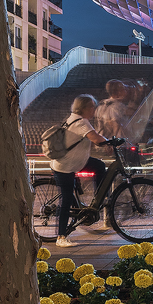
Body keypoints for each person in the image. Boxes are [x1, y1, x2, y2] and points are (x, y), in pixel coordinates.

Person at [41, 93, 109, 241]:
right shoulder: (81, 123)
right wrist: (111, 142)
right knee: (65, 201)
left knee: (99, 165)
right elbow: (96, 139)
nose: (94, 109)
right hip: (64, 166)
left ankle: (98, 198)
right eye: (92, 106)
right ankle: (61, 237)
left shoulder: (74, 118)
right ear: (84, 108)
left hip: (75, 162)